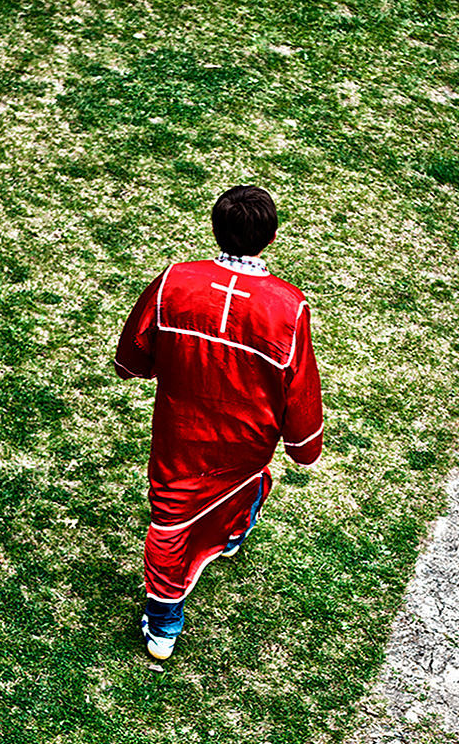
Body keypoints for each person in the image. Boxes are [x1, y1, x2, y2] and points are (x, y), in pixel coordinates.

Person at [114, 184, 324, 660]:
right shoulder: (288, 306)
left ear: (215, 230)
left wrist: (136, 366)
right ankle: (231, 536)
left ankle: (163, 622)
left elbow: (135, 348)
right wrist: (304, 445)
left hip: (181, 433)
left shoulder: (174, 282)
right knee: (244, 480)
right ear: (270, 239)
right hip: (247, 438)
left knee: (170, 518)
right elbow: (301, 380)